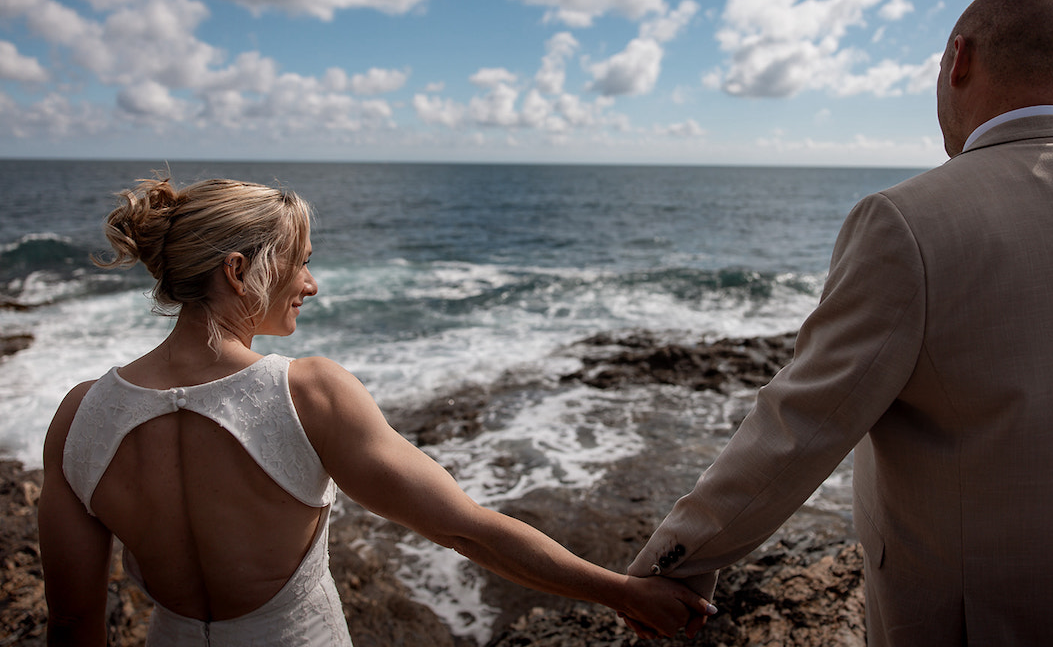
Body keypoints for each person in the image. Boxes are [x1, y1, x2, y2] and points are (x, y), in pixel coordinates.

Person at [627, 0, 1053, 645]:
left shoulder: (906, 222)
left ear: (959, 60)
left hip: (985, 622)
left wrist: (673, 562)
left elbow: (802, 423)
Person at [39, 177, 714, 646]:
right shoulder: (307, 394)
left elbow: (72, 627)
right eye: (299, 264)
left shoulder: (79, 418)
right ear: (239, 272)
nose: (311, 283)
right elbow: (467, 531)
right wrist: (622, 592)